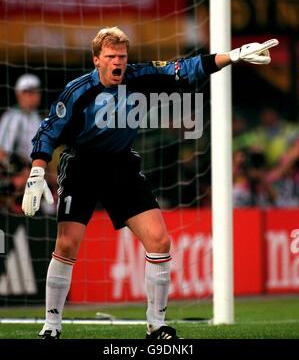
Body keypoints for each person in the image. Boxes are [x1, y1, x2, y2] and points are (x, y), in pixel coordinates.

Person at [21, 27, 278, 340]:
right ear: (96, 60)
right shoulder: (77, 91)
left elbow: (184, 69)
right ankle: (51, 326)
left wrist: (233, 57)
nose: (118, 62)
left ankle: (156, 326)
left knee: (159, 241)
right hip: (82, 167)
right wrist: (37, 170)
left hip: (121, 166)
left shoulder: (138, 76)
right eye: (111, 56)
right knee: (66, 244)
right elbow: (48, 132)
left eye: (122, 56)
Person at [0, 74, 42, 213]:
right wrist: (20, 174)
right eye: (27, 92)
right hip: (12, 173)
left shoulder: (37, 118)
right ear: (18, 94)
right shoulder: (13, 116)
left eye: (34, 91)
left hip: (31, 172)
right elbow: (2, 153)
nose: (31, 96)